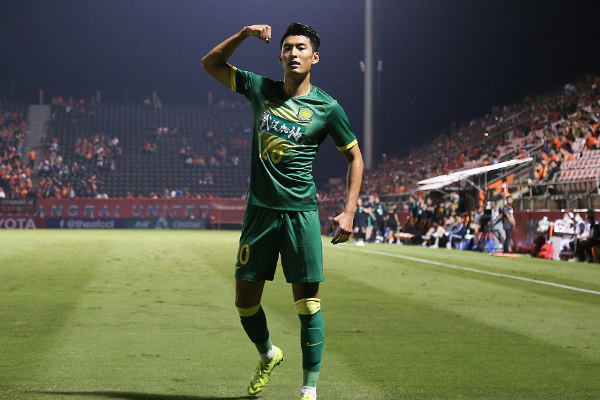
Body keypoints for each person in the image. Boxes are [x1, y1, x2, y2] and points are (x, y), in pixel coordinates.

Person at [202, 23, 364, 400]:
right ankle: (268, 354)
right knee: (245, 303)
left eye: (301, 48)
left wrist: (349, 211)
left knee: (308, 305)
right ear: (279, 56)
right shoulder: (261, 89)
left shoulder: (328, 108)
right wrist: (243, 34)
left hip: (300, 215)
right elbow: (210, 64)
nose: (293, 53)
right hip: (259, 213)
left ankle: (309, 390)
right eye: (288, 47)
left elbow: (355, 157)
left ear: (314, 57)